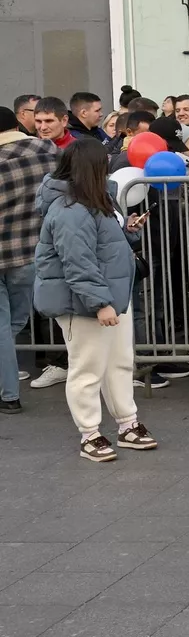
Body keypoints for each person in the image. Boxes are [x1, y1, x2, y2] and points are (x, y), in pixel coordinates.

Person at [31, 140, 156, 461]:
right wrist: (100, 302)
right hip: (86, 301)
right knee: (87, 369)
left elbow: (101, 245)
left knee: (118, 363)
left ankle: (127, 424)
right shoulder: (71, 210)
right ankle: (90, 433)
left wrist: (128, 229)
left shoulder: (94, 200)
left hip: (106, 296)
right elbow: (78, 261)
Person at [0, 108, 58, 412]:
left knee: (3, 325)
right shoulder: (48, 150)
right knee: (14, 322)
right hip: (30, 250)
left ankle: (8, 394)